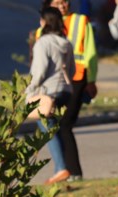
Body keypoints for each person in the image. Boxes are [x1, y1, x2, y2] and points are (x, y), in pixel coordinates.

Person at [41, 0, 98, 182]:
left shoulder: (81, 22)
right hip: (53, 83)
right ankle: (64, 169)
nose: (62, 5)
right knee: (54, 125)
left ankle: (71, 171)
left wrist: (91, 80)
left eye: (65, 1)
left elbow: (90, 53)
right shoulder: (42, 27)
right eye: (58, 2)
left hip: (77, 79)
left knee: (65, 124)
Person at [29, 7, 75, 185]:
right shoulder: (66, 43)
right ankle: (62, 168)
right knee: (56, 129)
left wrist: (29, 92)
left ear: (44, 22)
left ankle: (61, 168)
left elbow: (38, 71)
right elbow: (72, 69)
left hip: (49, 92)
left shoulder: (43, 43)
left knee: (47, 129)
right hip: (65, 91)